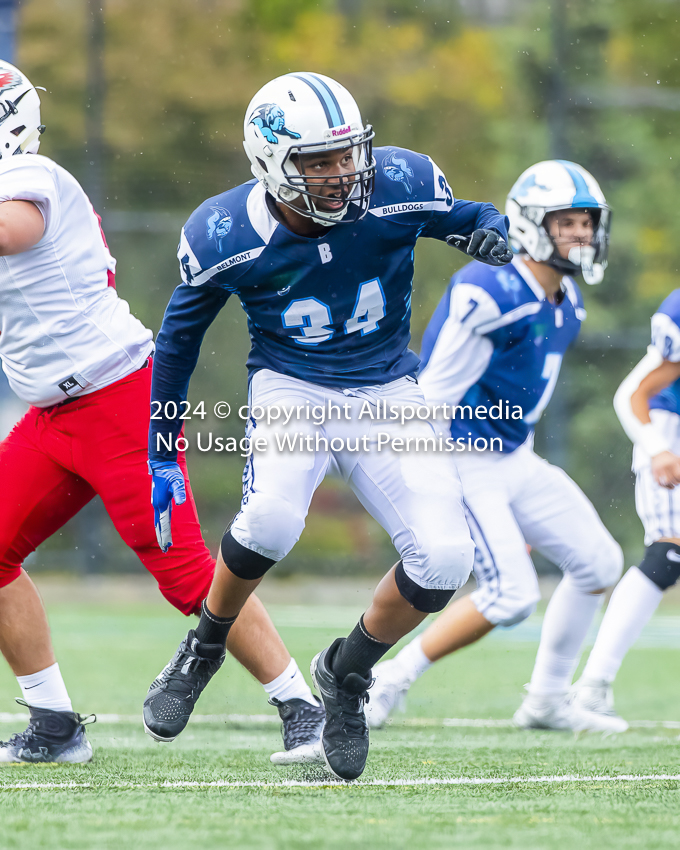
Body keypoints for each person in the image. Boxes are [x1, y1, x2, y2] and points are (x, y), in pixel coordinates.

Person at [142, 71, 512, 781]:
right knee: (273, 520)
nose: (342, 173)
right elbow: (178, 342)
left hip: (387, 388)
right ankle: (206, 646)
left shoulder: (397, 184)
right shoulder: (227, 233)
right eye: (319, 160)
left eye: (346, 155)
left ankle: (346, 675)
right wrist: (162, 449)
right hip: (293, 385)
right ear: (272, 163)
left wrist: (488, 235)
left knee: (446, 559)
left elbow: (470, 213)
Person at [0, 61, 322, 765]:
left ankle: (300, 704)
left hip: (119, 399)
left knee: (183, 573)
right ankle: (54, 725)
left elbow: (15, 230)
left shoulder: (33, 177)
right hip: (54, 414)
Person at [366, 160, 626, 733]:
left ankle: (547, 701)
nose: (582, 234)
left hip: (514, 455)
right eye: (568, 222)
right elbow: (431, 392)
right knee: (511, 596)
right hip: (463, 457)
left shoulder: (567, 299)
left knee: (600, 563)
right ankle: (389, 680)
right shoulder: (490, 289)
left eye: (587, 222)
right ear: (531, 225)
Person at [570, 289, 680, 725]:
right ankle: (594, 685)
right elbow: (632, 393)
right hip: (669, 429)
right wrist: (657, 448)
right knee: (669, 552)